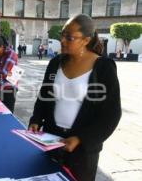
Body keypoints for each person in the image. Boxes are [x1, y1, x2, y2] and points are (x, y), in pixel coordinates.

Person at [28, 14, 121, 181]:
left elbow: (111, 115)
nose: (62, 40)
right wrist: (36, 119)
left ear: (85, 40)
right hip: (51, 142)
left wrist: (80, 139)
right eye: (62, 35)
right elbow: (45, 96)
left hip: (82, 153)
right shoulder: (55, 63)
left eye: (69, 37)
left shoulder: (104, 67)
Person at [0, 36, 18, 112]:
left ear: (1, 47)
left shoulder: (11, 54)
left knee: (7, 113)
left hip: (9, 89)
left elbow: (4, 72)